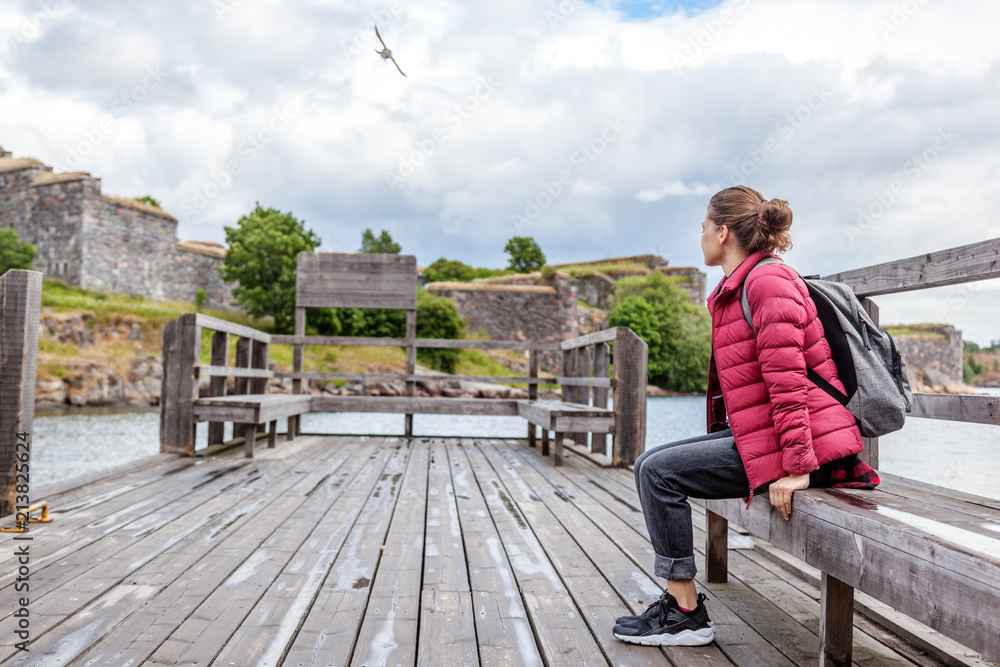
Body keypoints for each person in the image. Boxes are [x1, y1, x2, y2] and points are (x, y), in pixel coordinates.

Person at [613, 185, 879, 647]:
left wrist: (799, 468)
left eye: (702, 228)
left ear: (722, 231)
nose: (699, 237)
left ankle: (685, 613)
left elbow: (789, 383)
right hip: (772, 440)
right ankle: (681, 606)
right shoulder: (743, 284)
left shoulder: (767, 283)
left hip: (807, 449)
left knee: (657, 473)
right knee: (649, 465)